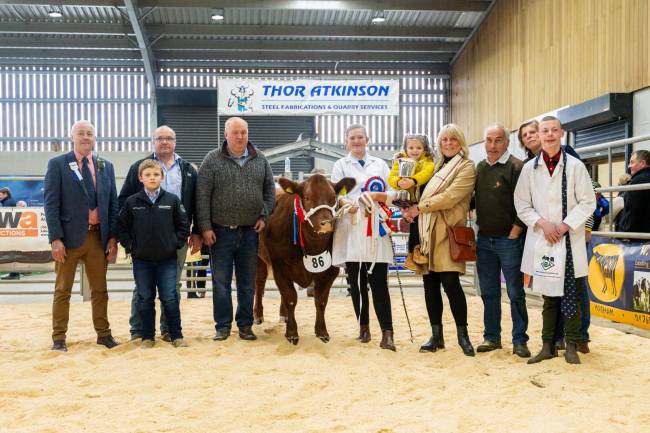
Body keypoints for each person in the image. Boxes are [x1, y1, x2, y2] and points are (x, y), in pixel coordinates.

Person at [514, 116, 596, 365]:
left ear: (561, 133)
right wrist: (543, 224)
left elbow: (588, 201)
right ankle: (548, 345)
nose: (549, 135)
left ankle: (571, 344)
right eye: (544, 131)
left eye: (553, 130)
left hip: (568, 238)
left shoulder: (575, 166)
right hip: (543, 239)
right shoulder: (529, 169)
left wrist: (563, 226)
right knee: (548, 295)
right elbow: (522, 204)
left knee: (571, 292)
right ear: (538, 135)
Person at [196, 117, 275, 342]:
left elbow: (270, 190)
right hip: (220, 232)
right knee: (220, 281)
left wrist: (265, 215)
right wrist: (205, 227)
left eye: (244, 132)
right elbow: (202, 196)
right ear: (226, 135)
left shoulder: (260, 159)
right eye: (235, 132)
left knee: (247, 281)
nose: (240, 136)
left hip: (250, 232)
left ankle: (245, 325)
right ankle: (222, 326)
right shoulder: (211, 160)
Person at [119, 125, 201, 341]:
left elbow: (197, 202)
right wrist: (131, 242)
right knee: (142, 289)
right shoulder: (139, 166)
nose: (165, 142)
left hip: (176, 238)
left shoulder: (189, 169)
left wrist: (193, 233)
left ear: (175, 141)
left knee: (172, 285)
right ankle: (138, 330)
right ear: (153, 141)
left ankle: (168, 330)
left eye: (169, 138)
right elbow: (123, 203)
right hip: (144, 241)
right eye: (160, 138)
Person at [43, 120, 119, 352]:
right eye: (81, 133)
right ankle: (59, 337)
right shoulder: (58, 164)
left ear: (95, 138)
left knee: (100, 290)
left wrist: (112, 237)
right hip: (68, 239)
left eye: (90, 133)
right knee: (63, 290)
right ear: (72, 137)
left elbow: (113, 204)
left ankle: (103, 334)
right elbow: (51, 203)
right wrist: (56, 239)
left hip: (98, 238)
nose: (86, 137)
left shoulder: (106, 166)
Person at [402, 124, 476, 357]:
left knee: (451, 284)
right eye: (444, 140)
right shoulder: (435, 168)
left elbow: (451, 197)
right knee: (430, 285)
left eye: (453, 139)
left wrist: (418, 208)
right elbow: (418, 192)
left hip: (448, 232)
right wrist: (406, 206)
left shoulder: (466, 167)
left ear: (460, 142)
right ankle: (437, 335)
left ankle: (463, 335)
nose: (448, 143)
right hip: (426, 233)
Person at [331, 124, 397, 351]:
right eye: (352, 138)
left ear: (367, 139)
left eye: (360, 137)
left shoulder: (379, 164)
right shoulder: (340, 165)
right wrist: (346, 203)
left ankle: (387, 332)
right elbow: (336, 195)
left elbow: (392, 193)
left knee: (379, 281)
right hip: (351, 225)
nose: (357, 141)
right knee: (357, 282)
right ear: (346, 142)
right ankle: (364, 328)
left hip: (376, 226)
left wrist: (377, 196)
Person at [118, 159, 189, 348]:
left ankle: (176, 335)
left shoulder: (172, 201)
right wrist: (131, 246)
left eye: (156, 174)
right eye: (148, 175)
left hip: (167, 260)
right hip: (142, 260)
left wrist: (175, 243)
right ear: (140, 178)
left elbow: (183, 226)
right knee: (145, 298)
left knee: (170, 297)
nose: (152, 177)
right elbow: (122, 228)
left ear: (162, 177)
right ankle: (148, 337)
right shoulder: (132, 202)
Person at [473, 124, 530, 357]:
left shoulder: (516, 167)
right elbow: (474, 200)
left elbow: (526, 201)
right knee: (489, 291)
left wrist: (516, 230)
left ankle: (519, 340)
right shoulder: (480, 167)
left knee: (515, 291)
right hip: (484, 240)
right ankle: (492, 337)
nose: (493, 145)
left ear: (507, 142)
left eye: (498, 140)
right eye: (489, 140)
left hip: (508, 240)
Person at [387, 134, 435, 271]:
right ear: (405, 148)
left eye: (419, 147)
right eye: (411, 147)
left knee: (418, 226)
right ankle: (412, 254)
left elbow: (426, 173)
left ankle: (416, 253)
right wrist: (398, 182)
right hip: (406, 199)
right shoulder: (400, 161)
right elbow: (392, 177)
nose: (415, 150)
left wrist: (413, 181)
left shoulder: (428, 162)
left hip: (421, 200)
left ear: (425, 149)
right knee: (413, 226)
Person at [616, 150, 650, 234]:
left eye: (632, 162)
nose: (629, 166)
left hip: (638, 236)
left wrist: (625, 233)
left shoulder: (638, 181)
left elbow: (633, 211)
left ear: (642, 163)